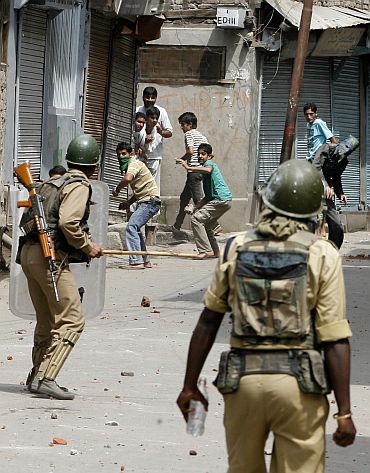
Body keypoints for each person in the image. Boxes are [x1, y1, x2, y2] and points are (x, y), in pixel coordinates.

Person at [177, 159, 356, 473]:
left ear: (267, 201)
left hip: (243, 383)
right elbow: (334, 338)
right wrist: (344, 413)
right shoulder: (322, 253)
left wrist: (189, 386)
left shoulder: (235, 247)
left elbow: (208, 320)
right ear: (313, 213)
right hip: (299, 389)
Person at [19, 134, 104, 400]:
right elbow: (68, 222)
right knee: (72, 319)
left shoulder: (50, 182)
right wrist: (88, 246)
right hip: (50, 257)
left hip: (30, 254)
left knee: (46, 319)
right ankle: (47, 378)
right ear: (94, 164)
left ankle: (36, 375)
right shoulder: (79, 185)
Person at [176, 143, 232, 259]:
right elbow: (207, 198)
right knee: (207, 226)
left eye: (203, 154)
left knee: (196, 219)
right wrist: (194, 207)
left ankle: (205, 250)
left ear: (209, 156)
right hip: (225, 201)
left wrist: (188, 167)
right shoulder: (206, 176)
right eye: (199, 154)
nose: (200, 156)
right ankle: (216, 252)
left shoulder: (209, 164)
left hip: (220, 200)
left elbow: (208, 169)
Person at [112, 142, 160, 269]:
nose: (121, 157)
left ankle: (136, 260)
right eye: (119, 155)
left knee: (131, 226)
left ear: (131, 154)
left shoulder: (134, 163)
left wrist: (117, 190)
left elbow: (127, 179)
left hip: (150, 202)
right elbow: (139, 191)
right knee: (135, 228)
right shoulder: (133, 165)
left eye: (124, 154)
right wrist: (128, 203)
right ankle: (144, 260)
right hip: (147, 201)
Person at [304, 102, 342, 248]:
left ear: (316, 114)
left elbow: (332, 139)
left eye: (311, 114)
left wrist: (334, 153)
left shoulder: (319, 122)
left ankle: (327, 234)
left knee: (325, 196)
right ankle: (312, 234)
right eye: (306, 114)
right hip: (311, 161)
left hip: (319, 160)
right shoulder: (309, 125)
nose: (309, 117)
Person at [172, 112, 208, 234]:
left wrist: (182, 159)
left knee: (198, 200)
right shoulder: (202, 137)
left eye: (183, 124)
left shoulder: (189, 134)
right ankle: (177, 225)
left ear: (190, 124)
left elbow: (190, 151)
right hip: (199, 171)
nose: (181, 127)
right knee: (184, 198)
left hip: (193, 171)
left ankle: (213, 225)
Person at [136, 87, 173, 191]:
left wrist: (161, 132)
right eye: (147, 97)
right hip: (138, 155)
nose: (150, 100)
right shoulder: (137, 110)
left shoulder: (161, 111)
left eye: (153, 97)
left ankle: (153, 207)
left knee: (153, 186)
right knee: (137, 184)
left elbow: (169, 132)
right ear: (143, 97)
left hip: (154, 155)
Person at [144, 106, 163, 192]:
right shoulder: (141, 127)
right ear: (147, 118)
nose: (154, 120)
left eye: (156, 118)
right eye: (152, 118)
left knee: (153, 184)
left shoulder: (158, 129)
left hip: (154, 158)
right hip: (142, 158)